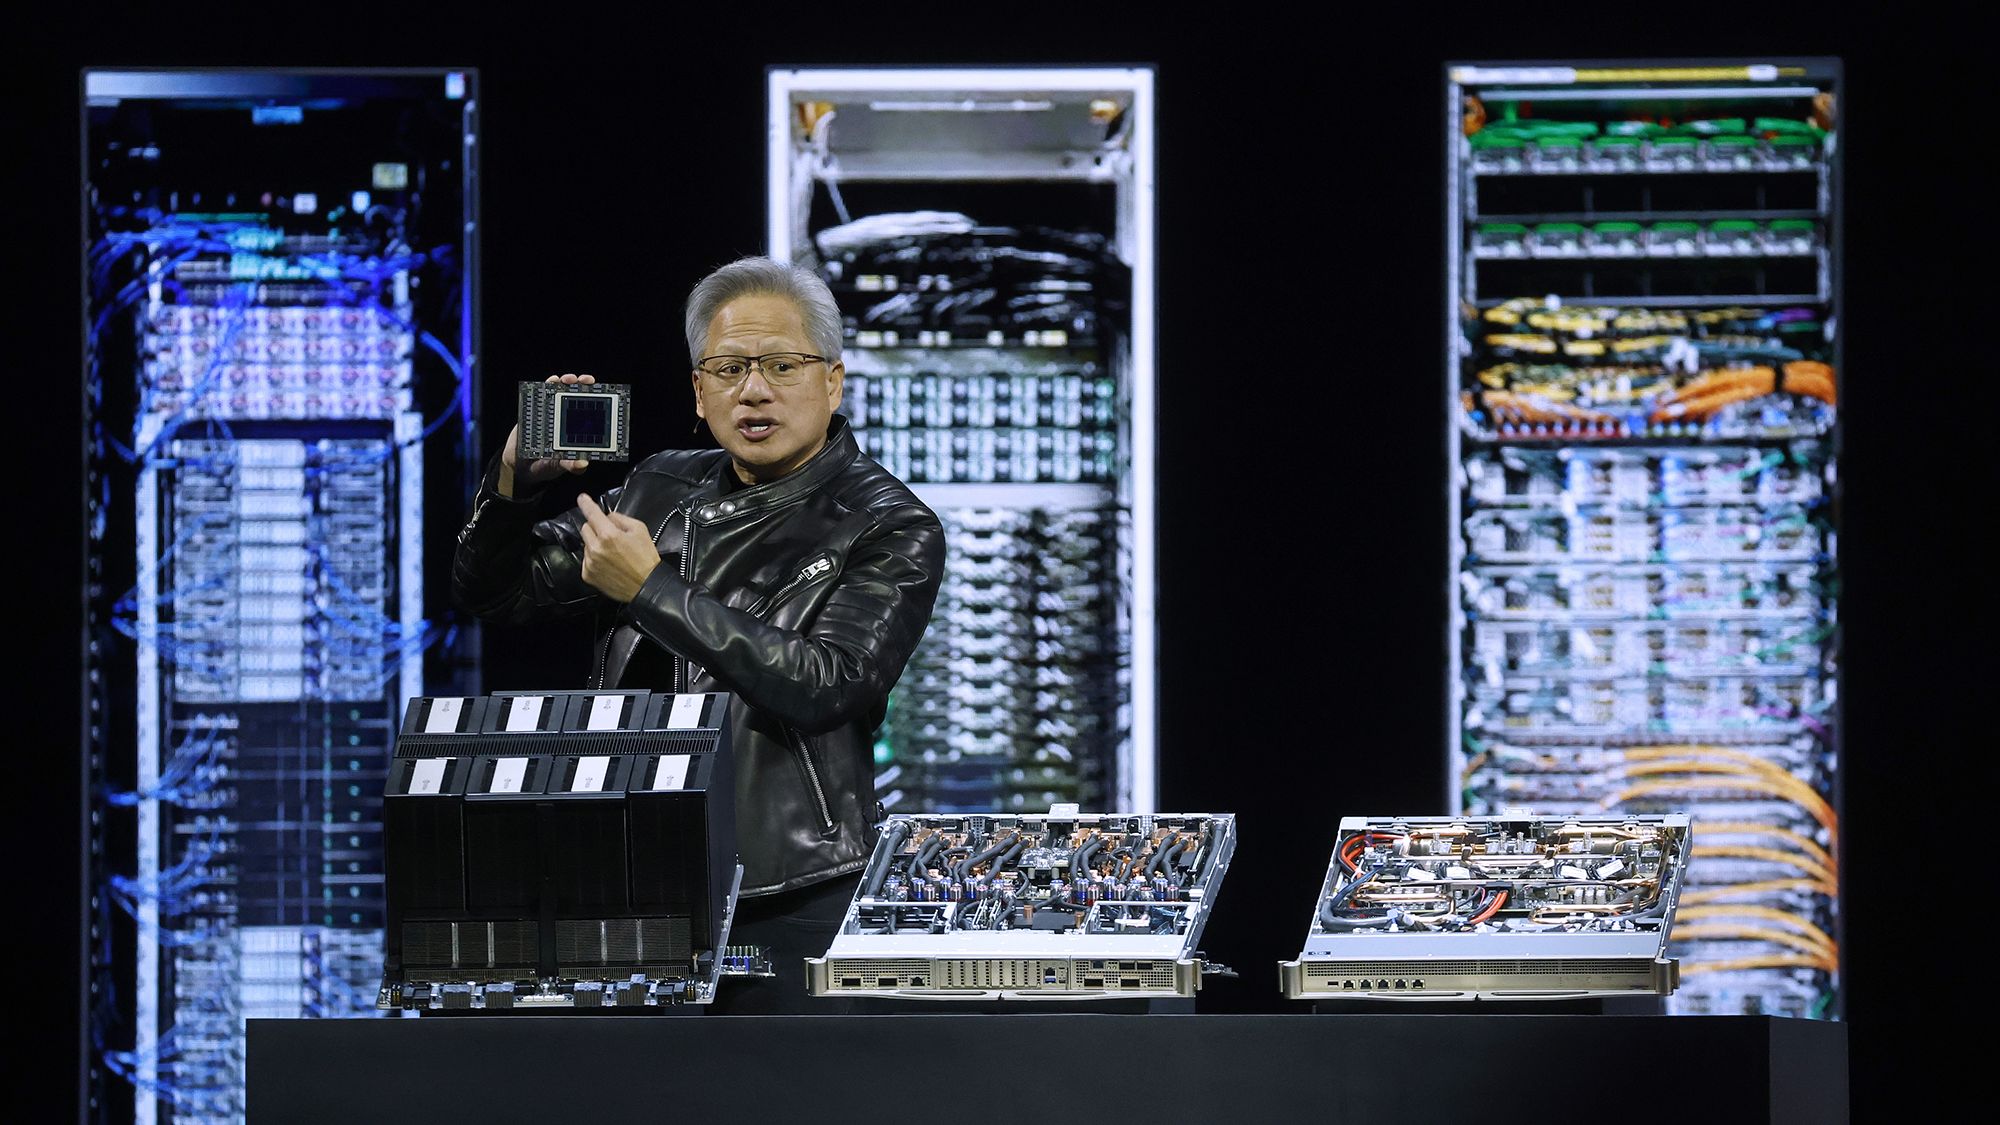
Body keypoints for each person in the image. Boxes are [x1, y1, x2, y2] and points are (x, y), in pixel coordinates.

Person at [452, 256, 945, 1012]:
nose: (754, 389)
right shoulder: (659, 486)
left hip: (793, 890)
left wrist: (652, 589)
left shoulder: (888, 524)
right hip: (626, 873)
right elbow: (496, 590)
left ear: (833, 380)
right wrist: (516, 480)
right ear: (698, 391)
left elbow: (826, 682)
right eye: (728, 368)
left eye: (782, 364)